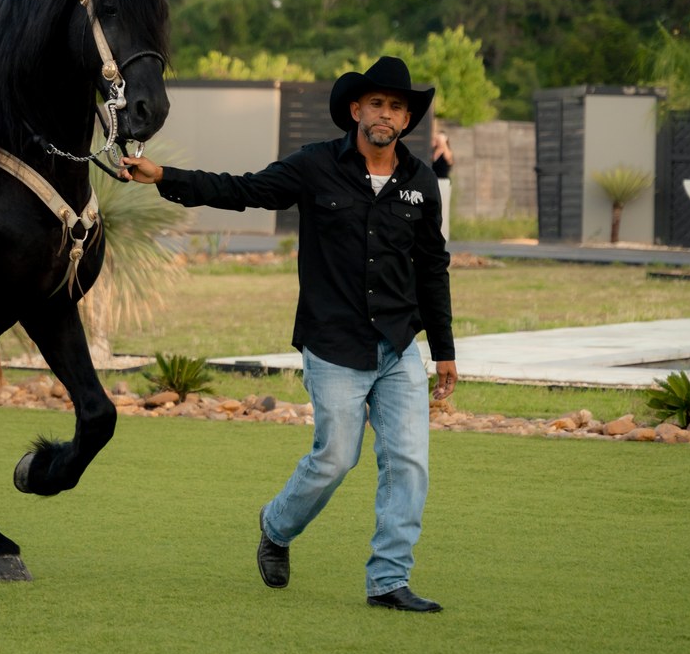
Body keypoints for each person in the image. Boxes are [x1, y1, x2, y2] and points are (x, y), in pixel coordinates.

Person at [122, 56, 457, 613]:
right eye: (376, 103)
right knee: (335, 457)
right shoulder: (316, 166)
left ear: (406, 120)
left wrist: (443, 351)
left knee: (409, 463)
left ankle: (388, 581)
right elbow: (245, 189)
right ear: (356, 110)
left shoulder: (421, 182)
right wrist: (167, 178)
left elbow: (433, 268)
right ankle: (276, 527)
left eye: (397, 107)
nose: (386, 114)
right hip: (333, 344)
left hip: (399, 347)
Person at [431, 125, 454, 243]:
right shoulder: (434, 151)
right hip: (434, 181)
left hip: (443, 182)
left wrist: (443, 141)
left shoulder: (447, 151)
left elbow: (449, 160)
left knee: (443, 208)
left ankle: (443, 234)